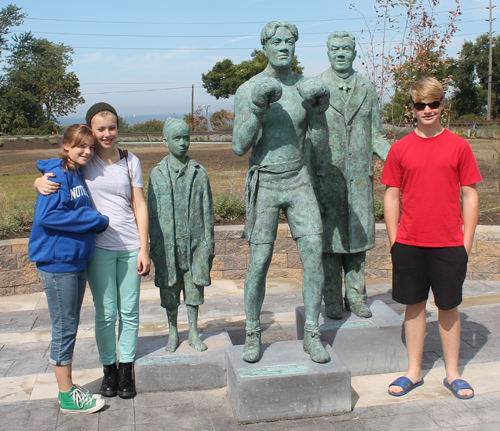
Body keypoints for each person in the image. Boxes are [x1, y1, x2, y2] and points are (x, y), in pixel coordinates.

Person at [35, 103, 150, 399]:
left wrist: (144, 249)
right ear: (91, 131)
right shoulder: (86, 160)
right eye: (100, 129)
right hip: (98, 247)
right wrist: (39, 181)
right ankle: (108, 370)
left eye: (112, 127)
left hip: (130, 246)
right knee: (106, 313)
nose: (107, 134)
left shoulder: (130, 160)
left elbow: (139, 205)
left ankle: (126, 369)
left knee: (129, 312)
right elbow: (58, 169)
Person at [233, 21, 331, 363]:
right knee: (259, 262)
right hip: (266, 183)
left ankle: (312, 334)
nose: (284, 47)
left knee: (314, 257)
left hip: (299, 180)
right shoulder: (249, 89)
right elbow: (238, 145)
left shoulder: (306, 88)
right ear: (265, 46)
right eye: (277, 42)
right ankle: (252, 333)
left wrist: (317, 113)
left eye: (289, 41)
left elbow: (319, 146)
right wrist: (257, 109)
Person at [381, 77, 482, 399]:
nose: (427, 110)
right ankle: (414, 371)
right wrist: (395, 240)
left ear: (442, 107)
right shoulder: (399, 149)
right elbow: (391, 196)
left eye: (433, 104)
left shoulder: (459, 146)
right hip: (410, 244)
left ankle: (453, 374)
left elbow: (470, 195)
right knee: (414, 307)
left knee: (448, 307)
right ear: (412, 109)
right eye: (420, 105)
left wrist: (465, 242)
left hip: (449, 244)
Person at [29, 124, 109, 414]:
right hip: (58, 262)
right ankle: (66, 396)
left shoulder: (74, 173)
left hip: (74, 261)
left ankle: (68, 386)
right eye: (80, 146)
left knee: (70, 326)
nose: (86, 151)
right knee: (64, 328)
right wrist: (95, 219)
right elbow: (49, 215)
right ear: (66, 146)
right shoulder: (58, 174)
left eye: (90, 147)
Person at [314, 31, 391, 320]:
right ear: (328, 52)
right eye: (336, 49)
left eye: (346, 49)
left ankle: (357, 297)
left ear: (355, 53)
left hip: (359, 182)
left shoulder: (368, 88)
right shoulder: (317, 88)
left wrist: (401, 158)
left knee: (357, 245)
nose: (341, 54)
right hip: (327, 182)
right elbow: (309, 138)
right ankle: (332, 299)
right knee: (330, 247)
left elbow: (376, 135)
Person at [148, 118, 214, 352]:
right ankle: (173, 333)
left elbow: (207, 211)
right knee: (170, 291)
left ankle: (194, 332)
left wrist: (208, 244)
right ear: (165, 140)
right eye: (177, 138)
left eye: (186, 137)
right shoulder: (157, 174)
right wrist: (154, 246)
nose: (183, 143)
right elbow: (151, 214)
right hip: (167, 246)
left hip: (195, 243)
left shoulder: (199, 172)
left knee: (194, 289)